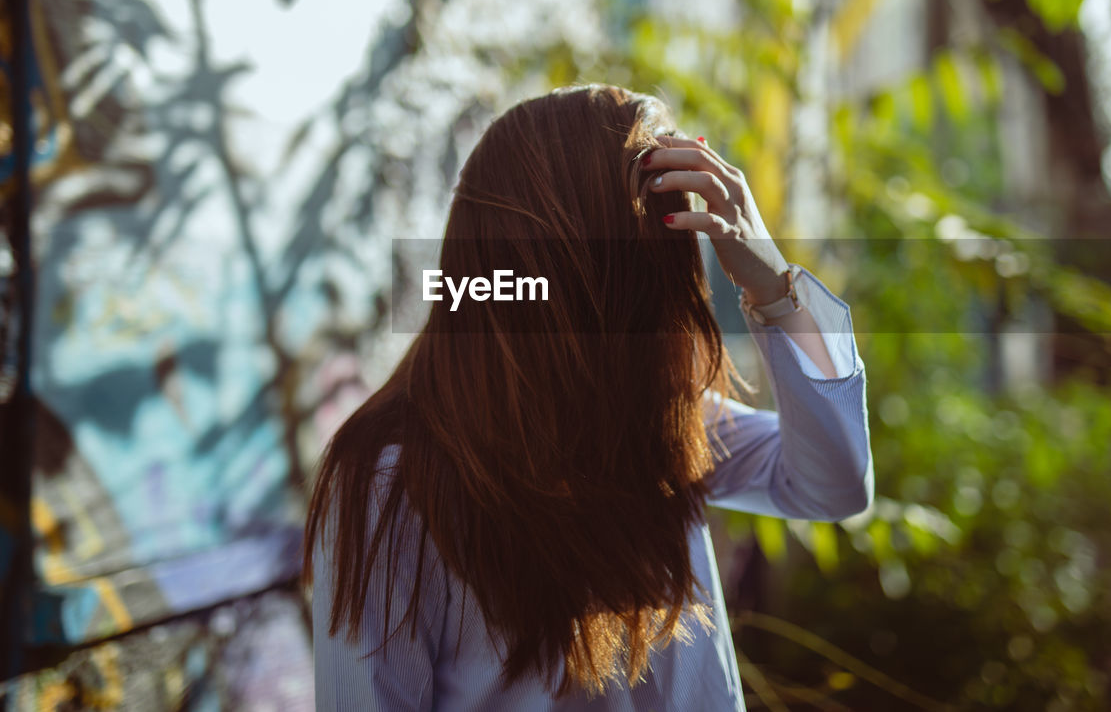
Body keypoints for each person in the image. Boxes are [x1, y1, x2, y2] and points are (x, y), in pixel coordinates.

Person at [301, 83, 873, 710]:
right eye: (651, 259)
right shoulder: (392, 481)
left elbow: (834, 486)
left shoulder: (654, 424)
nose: (673, 292)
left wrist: (772, 285)